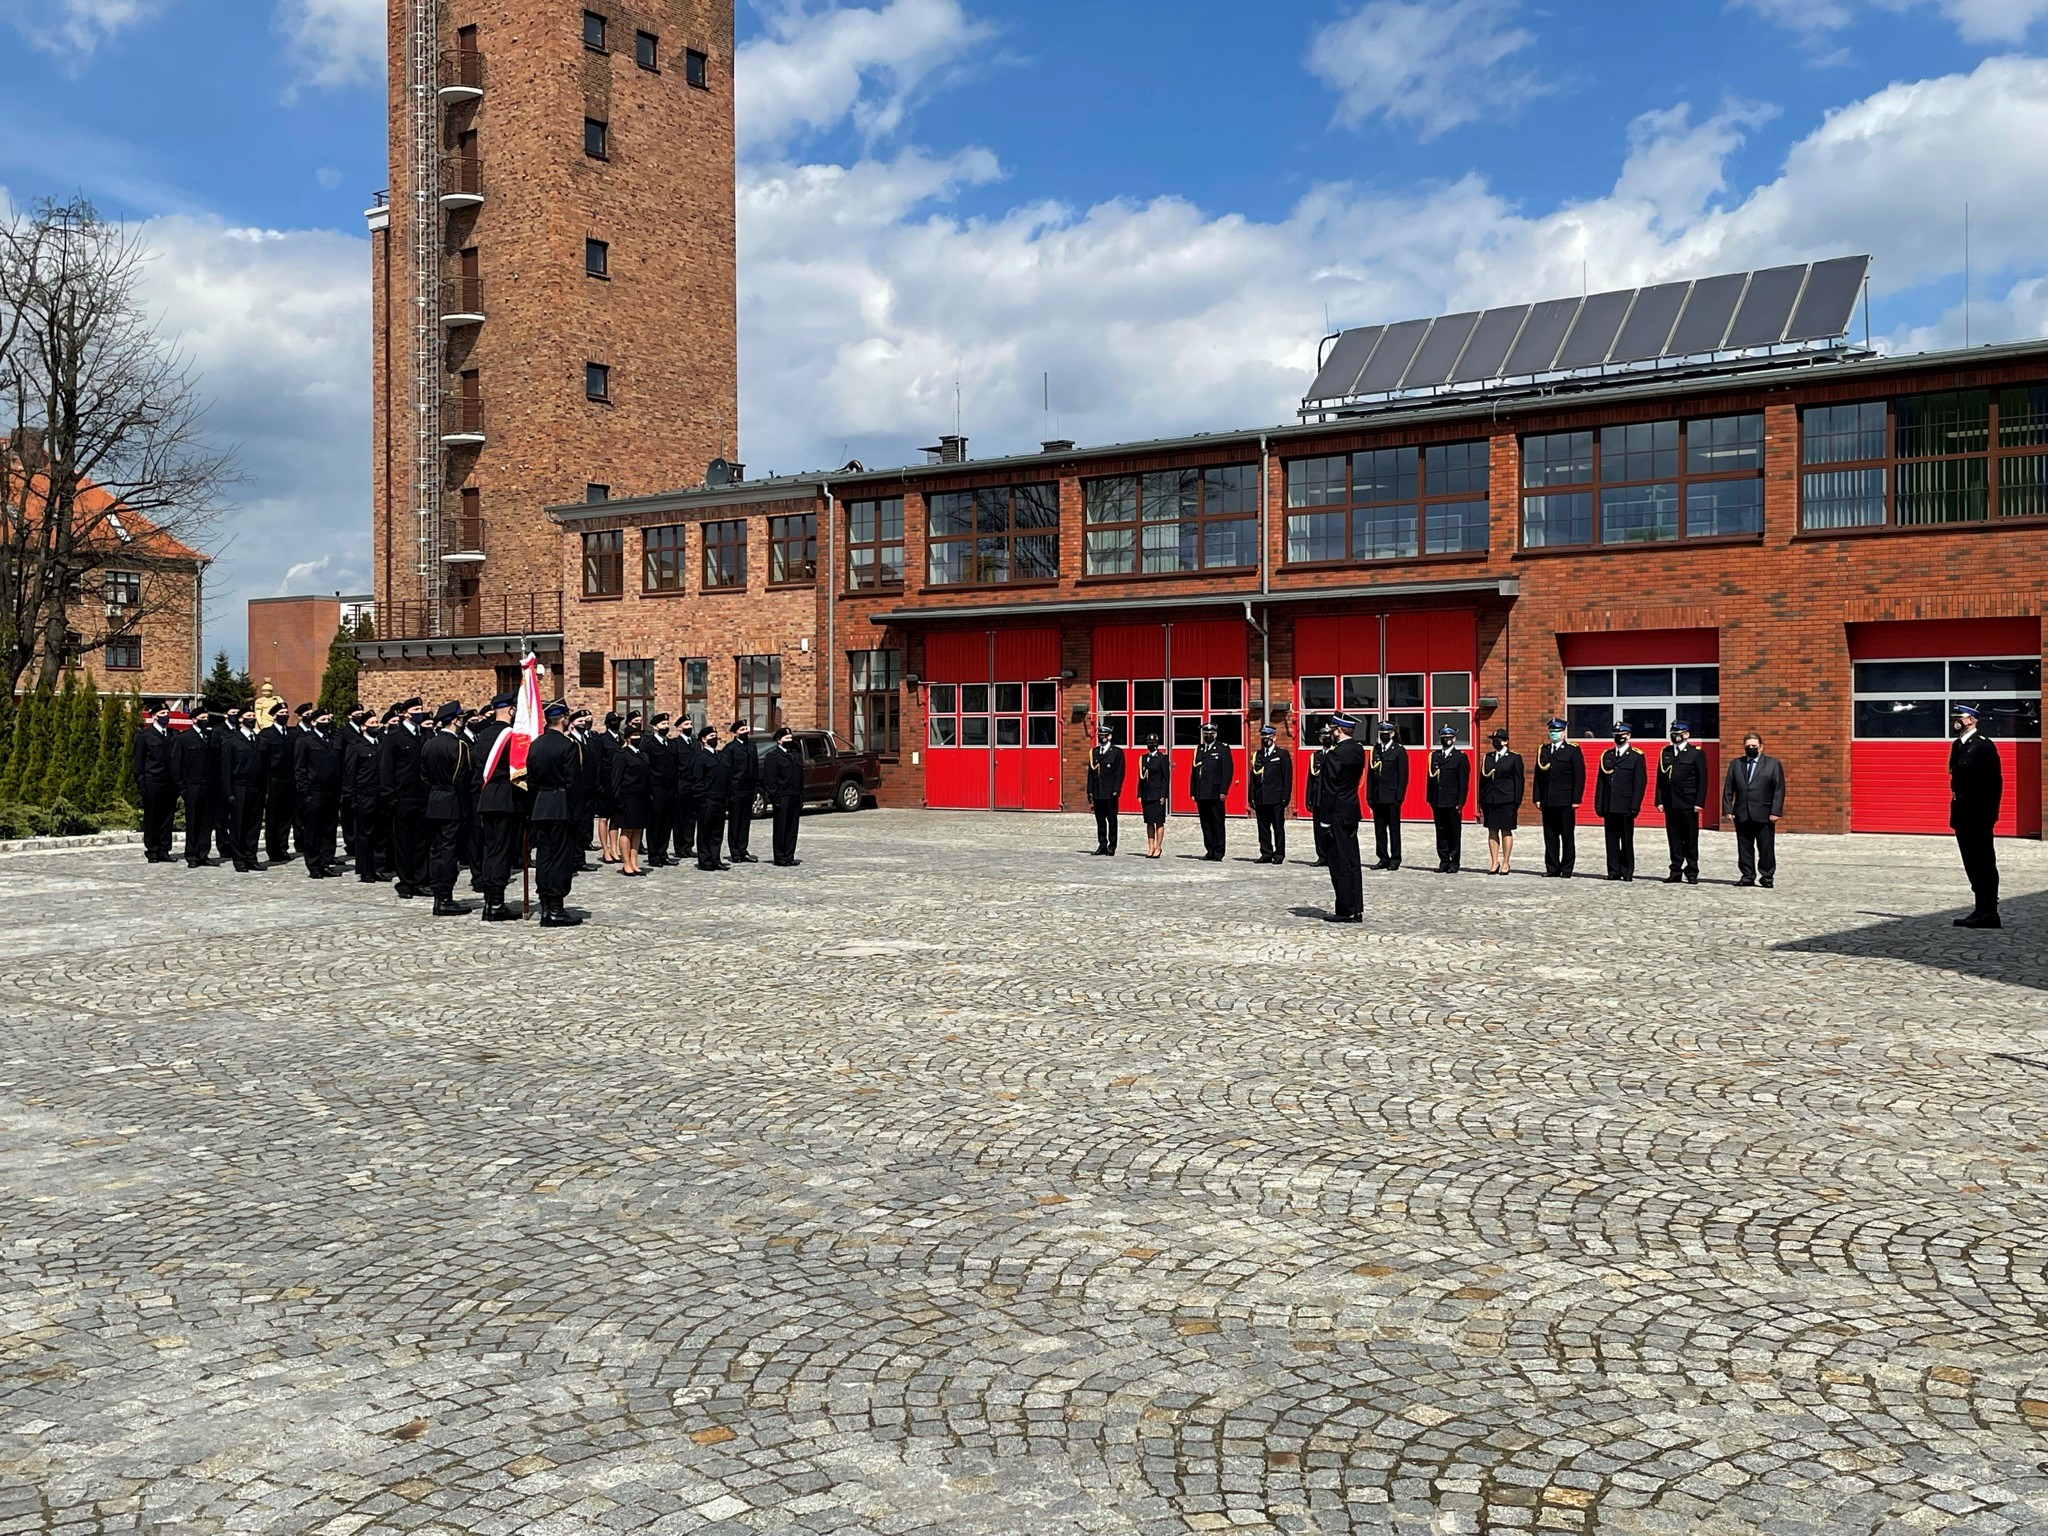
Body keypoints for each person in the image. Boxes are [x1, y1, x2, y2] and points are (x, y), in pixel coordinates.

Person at [525, 702, 583, 926]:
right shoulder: (567, 745)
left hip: (541, 805)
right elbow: (573, 783)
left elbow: (531, 780)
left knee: (544, 857)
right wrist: (576, 814)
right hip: (561, 806)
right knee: (560, 857)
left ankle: (546, 904)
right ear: (563, 719)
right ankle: (556, 908)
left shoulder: (536, 744)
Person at [469, 693, 526, 920]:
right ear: (511, 710)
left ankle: (489, 900)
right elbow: (520, 769)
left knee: (490, 850)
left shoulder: (482, 735)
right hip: (506, 798)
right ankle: (496, 904)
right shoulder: (510, 736)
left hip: (487, 797)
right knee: (502, 852)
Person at [1948, 703, 2003, 928]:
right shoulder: (1958, 745)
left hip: (1979, 815)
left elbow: (1994, 784)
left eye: (1959, 717)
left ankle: (1989, 911)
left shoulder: (1984, 747)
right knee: (1971, 862)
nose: (1956, 721)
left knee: (1984, 862)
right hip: (1962, 813)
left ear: (1972, 719)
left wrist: (1989, 816)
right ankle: (1979, 909)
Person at [415, 700, 473, 912]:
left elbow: (423, 777)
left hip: (433, 800)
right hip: (451, 801)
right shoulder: (458, 746)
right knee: (449, 851)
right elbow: (462, 780)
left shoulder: (429, 744)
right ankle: (445, 896)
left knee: (436, 849)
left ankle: (438, 894)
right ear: (455, 721)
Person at [1721, 731, 1784, 889]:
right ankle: (1747, 875)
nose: (1751, 748)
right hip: (1742, 812)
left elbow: (1779, 789)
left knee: (1766, 847)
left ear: (1761, 747)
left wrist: (1775, 811)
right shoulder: (1736, 763)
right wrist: (1727, 808)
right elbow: (1729, 787)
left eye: (1754, 746)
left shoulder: (1772, 764)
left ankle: (1767, 876)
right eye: (1748, 746)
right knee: (1744, 847)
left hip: (1764, 813)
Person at [380, 698, 429, 897]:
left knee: (421, 841)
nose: (420, 712)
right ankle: (405, 882)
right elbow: (386, 768)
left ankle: (420, 880)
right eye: (416, 709)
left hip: (422, 795)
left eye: (421, 709)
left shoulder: (425, 734)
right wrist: (390, 796)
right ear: (405, 713)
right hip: (402, 796)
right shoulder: (394, 736)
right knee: (403, 842)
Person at [1320, 714, 1367, 922]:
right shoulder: (1358, 750)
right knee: (1352, 860)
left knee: (1339, 862)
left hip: (1336, 812)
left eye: (1333, 728)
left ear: (1338, 730)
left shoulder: (1335, 756)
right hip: (1351, 810)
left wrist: (1324, 819)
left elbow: (1330, 789)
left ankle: (1345, 909)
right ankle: (1356, 907)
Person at [294, 705, 346, 878]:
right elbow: (300, 769)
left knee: (329, 829)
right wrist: (304, 793)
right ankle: (314, 865)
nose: (327, 723)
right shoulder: (306, 740)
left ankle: (326, 861)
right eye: (322, 720)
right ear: (314, 722)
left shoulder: (333, 740)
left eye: (328, 720)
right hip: (314, 791)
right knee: (313, 830)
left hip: (332, 791)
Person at [1655, 721, 1708, 885]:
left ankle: (1692, 871)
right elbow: (1660, 779)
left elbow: (1702, 780)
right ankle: (1675, 870)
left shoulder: (1696, 753)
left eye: (1678, 733)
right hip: (1671, 802)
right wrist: (1659, 800)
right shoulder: (1666, 752)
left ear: (1686, 734)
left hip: (1688, 802)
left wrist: (1699, 802)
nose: (1674, 735)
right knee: (1674, 837)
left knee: (1690, 838)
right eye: (1673, 732)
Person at [1594, 722, 1647, 881]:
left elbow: (1640, 783)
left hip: (1626, 805)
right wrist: (1598, 804)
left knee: (1626, 840)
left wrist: (1635, 805)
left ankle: (1627, 871)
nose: (1619, 737)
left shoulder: (1636, 756)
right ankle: (1613, 871)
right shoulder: (1607, 755)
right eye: (1616, 735)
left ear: (1628, 736)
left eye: (1622, 735)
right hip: (1609, 804)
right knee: (1611, 840)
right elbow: (1601, 782)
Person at [1532, 717, 1585, 878]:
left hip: (1565, 800)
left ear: (1564, 733)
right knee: (1550, 835)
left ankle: (1567, 868)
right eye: (1551, 731)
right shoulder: (1544, 750)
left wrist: (1576, 799)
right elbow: (1538, 777)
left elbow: (1579, 776)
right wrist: (1537, 797)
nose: (1553, 734)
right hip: (1548, 800)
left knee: (1567, 835)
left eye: (1557, 731)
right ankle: (1552, 867)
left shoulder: (1572, 751)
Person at [132, 702, 179, 863]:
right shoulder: (145, 736)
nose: (166, 716)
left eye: (167, 713)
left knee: (167, 817)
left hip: (170, 782)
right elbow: (139, 762)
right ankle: (152, 850)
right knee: (152, 817)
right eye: (162, 713)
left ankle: (164, 849)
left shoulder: (173, 735)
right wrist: (141, 783)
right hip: (152, 781)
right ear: (154, 717)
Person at [223, 706, 267, 873]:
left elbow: (265, 767)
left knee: (254, 824)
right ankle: (239, 859)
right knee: (239, 824)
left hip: (257, 787)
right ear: (240, 719)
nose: (252, 718)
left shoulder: (260, 741)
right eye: (249, 716)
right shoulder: (232, 741)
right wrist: (228, 792)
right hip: (239, 786)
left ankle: (251, 856)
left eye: (254, 716)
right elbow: (226, 768)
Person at [346, 708, 387, 883]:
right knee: (364, 834)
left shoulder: (382, 743)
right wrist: (351, 797)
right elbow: (350, 773)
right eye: (371, 724)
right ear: (363, 727)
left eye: (376, 723)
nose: (375, 726)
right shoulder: (356, 747)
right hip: (364, 795)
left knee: (380, 834)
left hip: (380, 795)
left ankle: (378, 868)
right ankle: (365, 870)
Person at [176, 704, 219, 868]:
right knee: (193, 821)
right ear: (194, 720)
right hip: (192, 785)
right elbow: (177, 764)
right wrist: (182, 786)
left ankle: (204, 853)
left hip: (209, 785)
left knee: (207, 822)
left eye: (206, 718)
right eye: (202, 718)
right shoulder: (184, 739)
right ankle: (192, 855)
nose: (205, 721)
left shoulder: (211, 737)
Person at [1478, 727, 1525, 876]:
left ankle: (1505, 862)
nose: (1495, 743)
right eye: (1493, 740)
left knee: (1506, 830)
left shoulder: (1514, 758)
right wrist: (1481, 799)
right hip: (1490, 799)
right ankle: (1494, 862)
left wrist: (1516, 801)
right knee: (1492, 830)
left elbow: (1519, 781)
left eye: (1498, 740)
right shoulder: (1488, 757)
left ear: (1505, 741)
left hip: (1507, 799)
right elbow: (1483, 781)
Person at [1425, 724, 1470, 873]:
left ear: (1454, 739)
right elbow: (1430, 779)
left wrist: (1461, 801)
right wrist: (1430, 798)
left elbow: (1463, 782)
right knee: (1441, 831)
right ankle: (1443, 860)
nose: (1446, 741)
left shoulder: (1460, 757)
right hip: (1438, 799)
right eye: (1444, 738)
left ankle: (1454, 861)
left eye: (1449, 738)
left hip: (1452, 800)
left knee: (1454, 832)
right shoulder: (1435, 756)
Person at [1366, 720, 1408, 871]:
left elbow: (1403, 776)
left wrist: (1399, 796)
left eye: (1386, 733)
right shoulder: (1375, 750)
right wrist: (1369, 795)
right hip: (1377, 796)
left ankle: (1395, 858)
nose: (1384, 736)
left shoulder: (1399, 751)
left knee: (1394, 829)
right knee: (1379, 829)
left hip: (1392, 796)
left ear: (1392, 734)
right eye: (1381, 734)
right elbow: (1370, 775)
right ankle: (1383, 857)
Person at [610, 722, 650, 877]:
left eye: (639, 735)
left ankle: (634, 861)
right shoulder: (622, 755)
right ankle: (626, 863)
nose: (637, 738)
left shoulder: (643, 755)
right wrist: (617, 799)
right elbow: (616, 779)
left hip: (641, 798)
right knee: (626, 830)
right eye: (634, 736)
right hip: (627, 798)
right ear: (627, 738)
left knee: (638, 830)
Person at [259, 702, 298, 863]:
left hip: (289, 779)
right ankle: (273, 850)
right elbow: (263, 761)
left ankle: (283, 848)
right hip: (273, 779)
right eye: (281, 712)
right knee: (273, 817)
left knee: (285, 817)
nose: (285, 714)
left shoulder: (291, 734)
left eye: (286, 711)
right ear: (274, 715)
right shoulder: (266, 734)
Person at [1249, 724, 1293, 864]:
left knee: (1278, 827)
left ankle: (1279, 854)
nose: (1265, 739)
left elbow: (1287, 777)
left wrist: (1286, 796)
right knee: (1263, 827)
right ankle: (1266, 853)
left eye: (1268, 737)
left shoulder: (1282, 754)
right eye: (1263, 737)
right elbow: (1253, 778)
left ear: (1274, 737)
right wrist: (1251, 796)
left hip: (1276, 797)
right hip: (1261, 796)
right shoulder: (1258, 755)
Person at [762, 725, 806, 866]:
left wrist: (801, 795)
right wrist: (774, 797)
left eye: (791, 738)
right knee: (781, 827)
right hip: (782, 796)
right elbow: (770, 779)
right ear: (779, 741)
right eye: (787, 738)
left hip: (795, 795)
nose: (790, 740)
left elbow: (800, 778)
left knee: (792, 828)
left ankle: (789, 855)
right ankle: (780, 856)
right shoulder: (773, 756)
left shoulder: (795, 755)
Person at [1189, 721, 1233, 861]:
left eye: (1210, 734)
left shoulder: (1222, 749)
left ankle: (1219, 851)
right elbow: (1194, 773)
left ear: (1215, 734)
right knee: (1205, 823)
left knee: (1217, 822)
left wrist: (1224, 790)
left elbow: (1227, 771)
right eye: (1205, 734)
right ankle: (1210, 850)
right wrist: (1193, 791)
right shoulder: (1200, 750)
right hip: (1201, 792)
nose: (1208, 736)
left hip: (1215, 792)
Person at [724, 721, 761, 863]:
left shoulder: (752, 747)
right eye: (742, 729)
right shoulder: (730, 749)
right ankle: (735, 852)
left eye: (746, 728)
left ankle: (743, 849)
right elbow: (728, 772)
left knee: (745, 821)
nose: (745, 731)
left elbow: (755, 768)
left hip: (749, 789)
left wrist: (756, 788)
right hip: (736, 789)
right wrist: (729, 792)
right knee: (735, 821)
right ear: (735, 732)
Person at [1086, 726, 1126, 856]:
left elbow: (1120, 773)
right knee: (1100, 820)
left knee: (1112, 820)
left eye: (1104, 735)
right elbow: (1091, 774)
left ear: (1109, 736)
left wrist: (1116, 790)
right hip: (1098, 792)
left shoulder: (1116, 752)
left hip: (1110, 793)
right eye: (1100, 735)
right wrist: (1089, 791)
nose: (1101, 737)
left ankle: (1112, 846)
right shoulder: (1095, 752)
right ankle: (1102, 844)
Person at [696, 726, 732, 871]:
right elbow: (697, 782)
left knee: (717, 832)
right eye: (711, 736)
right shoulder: (700, 758)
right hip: (707, 800)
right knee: (705, 831)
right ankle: (705, 861)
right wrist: (702, 801)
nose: (714, 738)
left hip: (720, 799)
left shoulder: (720, 757)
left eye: (715, 735)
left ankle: (715, 858)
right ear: (704, 740)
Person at [645, 714, 678, 867]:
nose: (666, 726)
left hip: (670, 788)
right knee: (655, 823)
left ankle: (663, 852)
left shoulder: (671, 744)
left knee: (667, 823)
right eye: (662, 724)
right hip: (656, 787)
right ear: (655, 727)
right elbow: (647, 768)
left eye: (667, 723)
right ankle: (654, 855)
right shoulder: (649, 744)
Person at [675, 719, 705, 865]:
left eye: (691, 724)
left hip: (694, 783)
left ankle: (688, 845)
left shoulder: (695, 744)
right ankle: (679, 846)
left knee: (691, 817)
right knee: (680, 816)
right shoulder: (675, 744)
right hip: (682, 783)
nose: (690, 727)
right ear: (679, 728)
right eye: (686, 725)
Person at [1138, 735, 1171, 859]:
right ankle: (1150, 847)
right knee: (1149, 822)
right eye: (1149, 743)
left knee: (1159, 821)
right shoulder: (1144, 758)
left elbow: (1165, 779)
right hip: (1147, 794)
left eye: (1153, 743)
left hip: (1157, 795)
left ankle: (1158, 847)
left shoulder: (1162, 758)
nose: (1151, 745)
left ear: (1157, 744)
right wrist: (1139, 793)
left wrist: (1163, 795)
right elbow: (1141, 778)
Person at [1306, 725, 1334, 868]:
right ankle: (1322, 856)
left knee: (1332, 828)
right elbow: (1310, 779)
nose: (1326, 739)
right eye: (1324, 737)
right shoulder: (1315, 756)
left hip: (1332, 797)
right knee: (1318, 829)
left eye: (1328, 736)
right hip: (1318, 797)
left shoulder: (1336, 754)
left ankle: (1333, 856)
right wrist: (1309, 799)